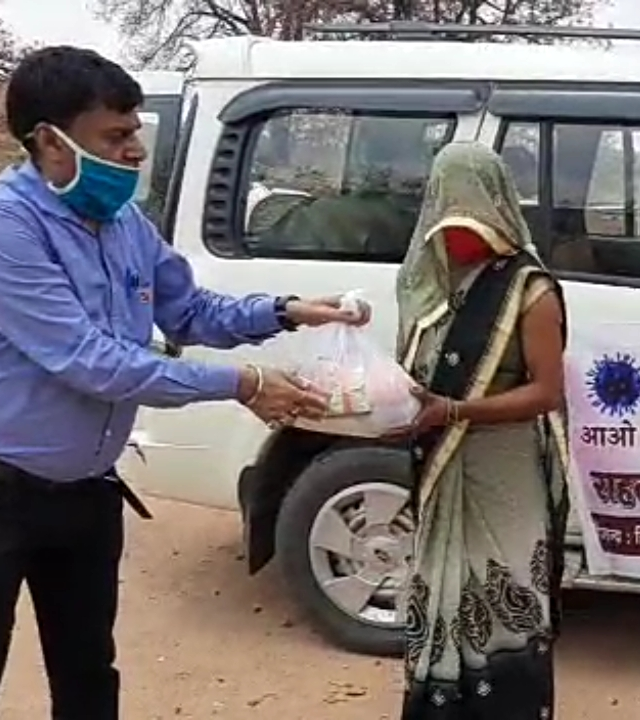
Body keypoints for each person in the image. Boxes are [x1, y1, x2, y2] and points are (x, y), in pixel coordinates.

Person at [0, 46, 368, 719]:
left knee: (88, 673)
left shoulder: (124, 224)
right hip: (8, 486)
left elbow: (190, 311)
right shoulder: (10, 228)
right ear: (50, 142)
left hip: (87, 493)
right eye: (116, 135)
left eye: (136, 129)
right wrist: (245, 383)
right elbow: (92, 361)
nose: (137, 149)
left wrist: (282, 311)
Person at [388, 141, 570, 720]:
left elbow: (546, 393)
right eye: (446, 199)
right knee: (439, 590)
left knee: (505, 593)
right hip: (446, 467)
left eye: (470, 201)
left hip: (504, 468)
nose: (456, 215)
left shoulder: (531, 290)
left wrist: (455, 412)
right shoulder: (430, 288)